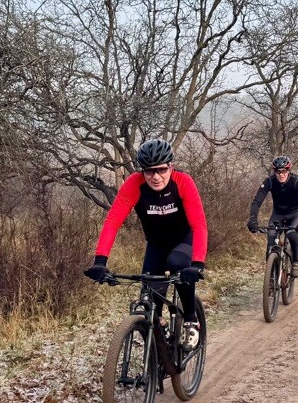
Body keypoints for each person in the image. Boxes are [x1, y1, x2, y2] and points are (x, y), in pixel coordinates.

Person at [84, 139, 207, 343]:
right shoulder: (134, 184)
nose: (156, 176)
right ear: (142, 171)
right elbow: (112, 222)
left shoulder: (183, 182)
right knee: (150, 302)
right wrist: (100, 261)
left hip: (184, 240)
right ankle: (157, 355)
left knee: (177, 264)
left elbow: (199, 225)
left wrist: (197, 264)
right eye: (149, 171)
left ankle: (191, 319)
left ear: (171, 167)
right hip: (156, 245)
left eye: (161, 170)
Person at [248, 155, 298, 277]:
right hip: (278, 214)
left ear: (289, 170)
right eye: (278, 171)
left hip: (295, 213)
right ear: (274, 171)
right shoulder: (270, 181)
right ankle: (271, 276)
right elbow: (257, 201)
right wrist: (252, 220)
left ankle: (296, 261)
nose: (281, 174)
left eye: (284, 171)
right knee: (271, 241)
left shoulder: (297, 181)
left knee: (292, 234)